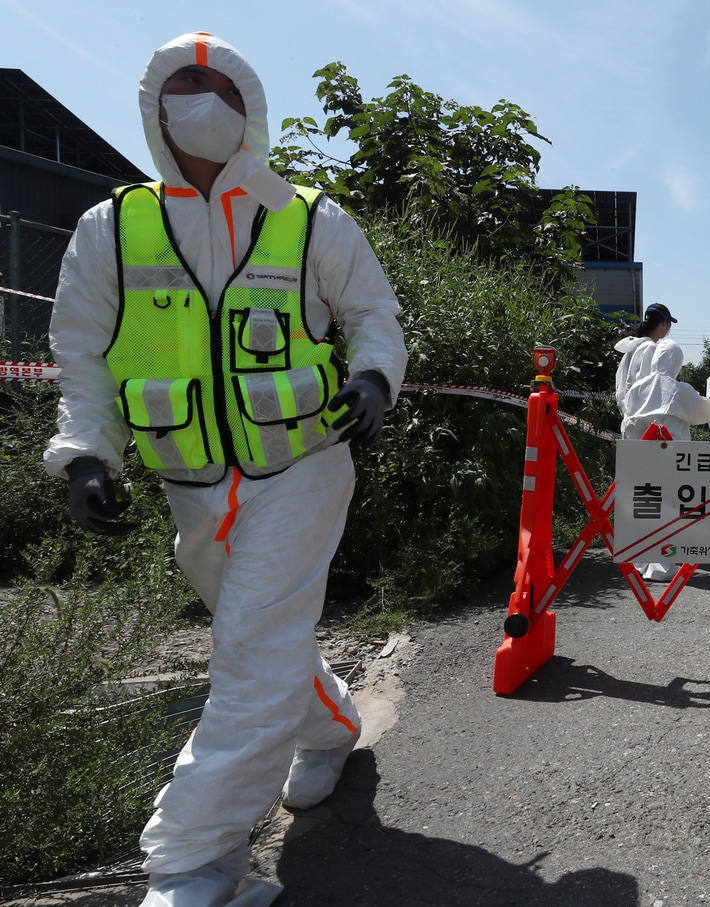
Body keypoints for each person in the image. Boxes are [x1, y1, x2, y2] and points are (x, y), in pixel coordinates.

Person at [44, 32, 408, 907]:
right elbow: (79, 353)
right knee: (262, 644)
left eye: (216, 85)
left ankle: (192, 868)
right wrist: (86, 454)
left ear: (249, 107)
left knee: (246, 657)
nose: (197, 100)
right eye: (182, 83)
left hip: (304, 467)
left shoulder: (312, 218)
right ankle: (331, 727)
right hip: (192, 481)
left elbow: (372, 314)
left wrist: (373, 375)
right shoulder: (112, 229)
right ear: (152, 105)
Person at [620, 338, 710, 580]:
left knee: (645, 508)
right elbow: (705, 411)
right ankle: (663, 565)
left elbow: (628, 421)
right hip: (672, 461)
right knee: (669, 509)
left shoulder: (638, 387)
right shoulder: (679, 390)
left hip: (641, 459)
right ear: (676, 362)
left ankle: (641, 562)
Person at [613, 302, 677, 416]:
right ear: (664, 323)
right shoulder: (650, 348)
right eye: (669, 324)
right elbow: (649, 389)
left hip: (629, 416)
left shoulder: (633, 347)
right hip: (642, 419)